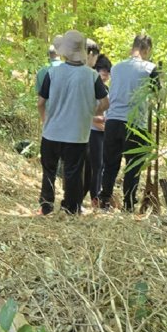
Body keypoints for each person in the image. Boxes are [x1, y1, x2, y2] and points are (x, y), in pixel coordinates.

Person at [37, 31, 109, 215]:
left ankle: (46, 206)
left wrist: (45, 118)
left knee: (49, 171)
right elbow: (105, 103)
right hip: (76, 134)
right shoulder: (91, 76)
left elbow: (41, 102)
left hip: (51, 132)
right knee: (73, 173)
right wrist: (89, 112)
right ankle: (71, 207)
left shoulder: (53, 72)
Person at [99, 34, 158, 212]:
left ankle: (104, 201)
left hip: (113, 121)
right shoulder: (150, 68)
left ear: (132, 48)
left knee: (110, 164)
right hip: (135, 124)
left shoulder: (116, 68)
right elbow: (158, 95)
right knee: (132, 166)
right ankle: (128, 205)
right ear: (147, 50)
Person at [84, 41, 112, 207]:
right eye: (102, 71)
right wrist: (98, 119)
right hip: (92, 131)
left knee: (100, 165)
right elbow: (84, 111)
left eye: (107, 72)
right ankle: (94, 196)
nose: (105, 75)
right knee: (93, 166)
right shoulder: (90, 85)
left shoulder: (106, 89)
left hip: (103, 132)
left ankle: (97, 195)